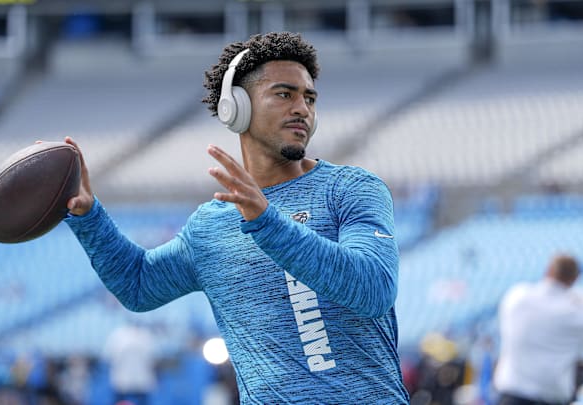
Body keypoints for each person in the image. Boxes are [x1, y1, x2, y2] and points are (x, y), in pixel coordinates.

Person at [63, 31, 409, 403]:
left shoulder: (351, 188)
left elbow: (374, 289)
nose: (302, 109)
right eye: (284, 94)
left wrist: (267, 222)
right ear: (236, 107)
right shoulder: (210, 226)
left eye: (309, 98)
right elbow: (137, 285)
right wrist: (89, 217)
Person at [494, 254, 583, 405]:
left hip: (511, 393)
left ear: (549, 270)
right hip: (550, 397)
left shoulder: (517, 297)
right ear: (574, 279)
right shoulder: (577, 314)